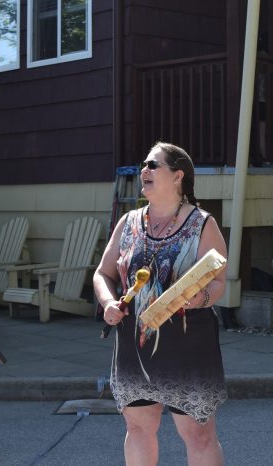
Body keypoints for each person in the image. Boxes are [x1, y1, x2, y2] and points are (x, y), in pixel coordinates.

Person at [93, 142, 228, 466]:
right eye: (144, 165)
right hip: (135, 346)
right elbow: (103, 273)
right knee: (137, 429)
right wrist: (109, 302)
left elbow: (219, 281)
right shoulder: (128, 222)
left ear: (178, 175)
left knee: (198, 436)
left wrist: (203, 297)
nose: (144, 171)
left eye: (153, 165)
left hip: (188, 346)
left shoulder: (202, 224)